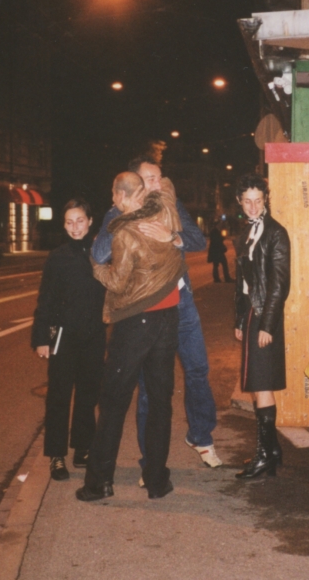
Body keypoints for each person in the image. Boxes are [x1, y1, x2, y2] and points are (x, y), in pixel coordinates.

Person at [92, 157, 222, 469]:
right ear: (134, 183)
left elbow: (196, 239)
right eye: (151, 178)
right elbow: (99, 253)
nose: (158, 183)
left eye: (160, 177)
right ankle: (149, 461)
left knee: (197, 369)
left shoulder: (171, 204)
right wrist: (128, 215)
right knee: (151, 388)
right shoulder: (118, 210)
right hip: (148, 309)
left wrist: (172, 237)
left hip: (183, 299)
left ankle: (201, 435)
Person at [77, 172, 186, 501]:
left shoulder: (124, 232)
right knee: (159, 402)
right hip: (169, 318)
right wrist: (154, 185)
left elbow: (118, 283)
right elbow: (167, 183)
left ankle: (99, 483)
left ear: (121, 197)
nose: (113, 203)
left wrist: (96, 267)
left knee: (112, 403)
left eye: (115, 197)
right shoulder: (164, 209)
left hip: (136, 322)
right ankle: (156, 481)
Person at [31, 199, 108, 482]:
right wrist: (42, 338)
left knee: (88, 394)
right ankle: (57, 456)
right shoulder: (58, 257)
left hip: (93, 334)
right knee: (59, 397)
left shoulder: (101, 253)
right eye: (69, 222)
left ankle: (82, 448)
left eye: (80, 221)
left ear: (89, 222)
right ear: (64, 225)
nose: (75, 227)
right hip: (63, 335)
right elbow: (46, 299)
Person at [233, 174, 290, 479]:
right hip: (253, 315)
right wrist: (239, 321)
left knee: (261, 384)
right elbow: (241, 284)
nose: (253, 206)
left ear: (265, 199)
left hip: (266, 316)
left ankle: (265, 455)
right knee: (256, 384)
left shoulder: (276, 234)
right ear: (240, 203)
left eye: (258, 200)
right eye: (247, 201)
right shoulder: (245, 235)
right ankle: (272, 451)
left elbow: (280, 285)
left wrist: (266, 324)